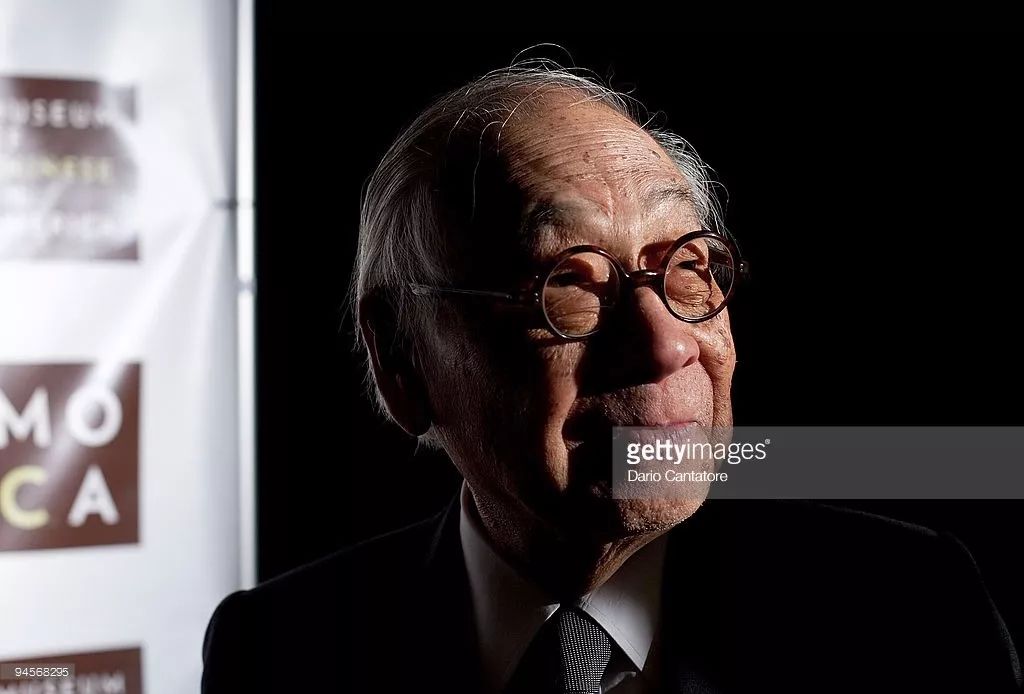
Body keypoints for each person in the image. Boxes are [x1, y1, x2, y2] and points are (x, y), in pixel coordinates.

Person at [202, 64, 1021, 693]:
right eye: (569, 284)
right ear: (401, 358)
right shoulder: (280, 650)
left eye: (689, 268)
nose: (667, 347)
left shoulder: (906, 609)